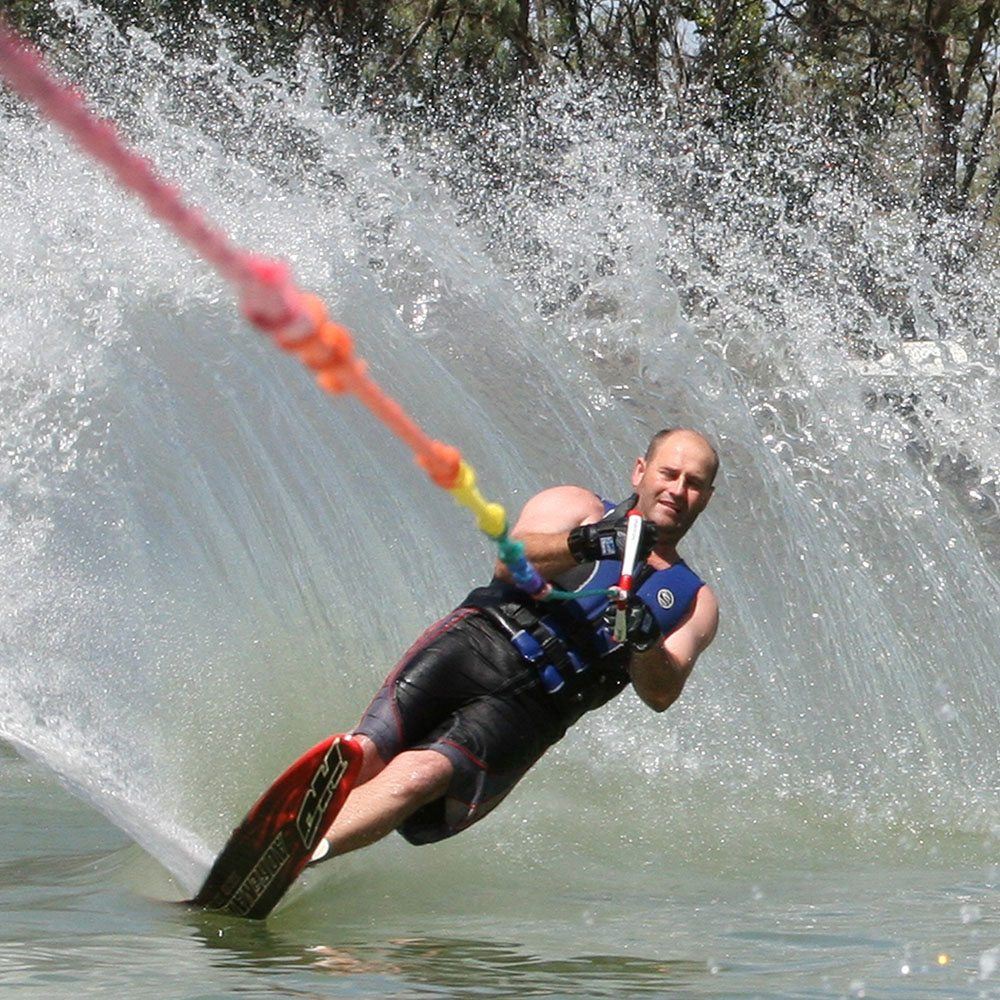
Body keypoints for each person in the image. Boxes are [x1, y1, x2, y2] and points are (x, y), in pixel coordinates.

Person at [309, 427, 720, 864]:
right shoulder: (578, 505)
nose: (677, 489)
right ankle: (271, 838)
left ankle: (293, 860)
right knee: (366, 751)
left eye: (693, 483)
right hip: (477, 644)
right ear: (641, 471)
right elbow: (511, 562)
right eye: (669, 473)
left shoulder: (694, 600)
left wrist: (645, 638)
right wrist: (589, 542)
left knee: (421, 776)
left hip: (533, 709)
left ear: (706, 498)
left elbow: (661, 693)